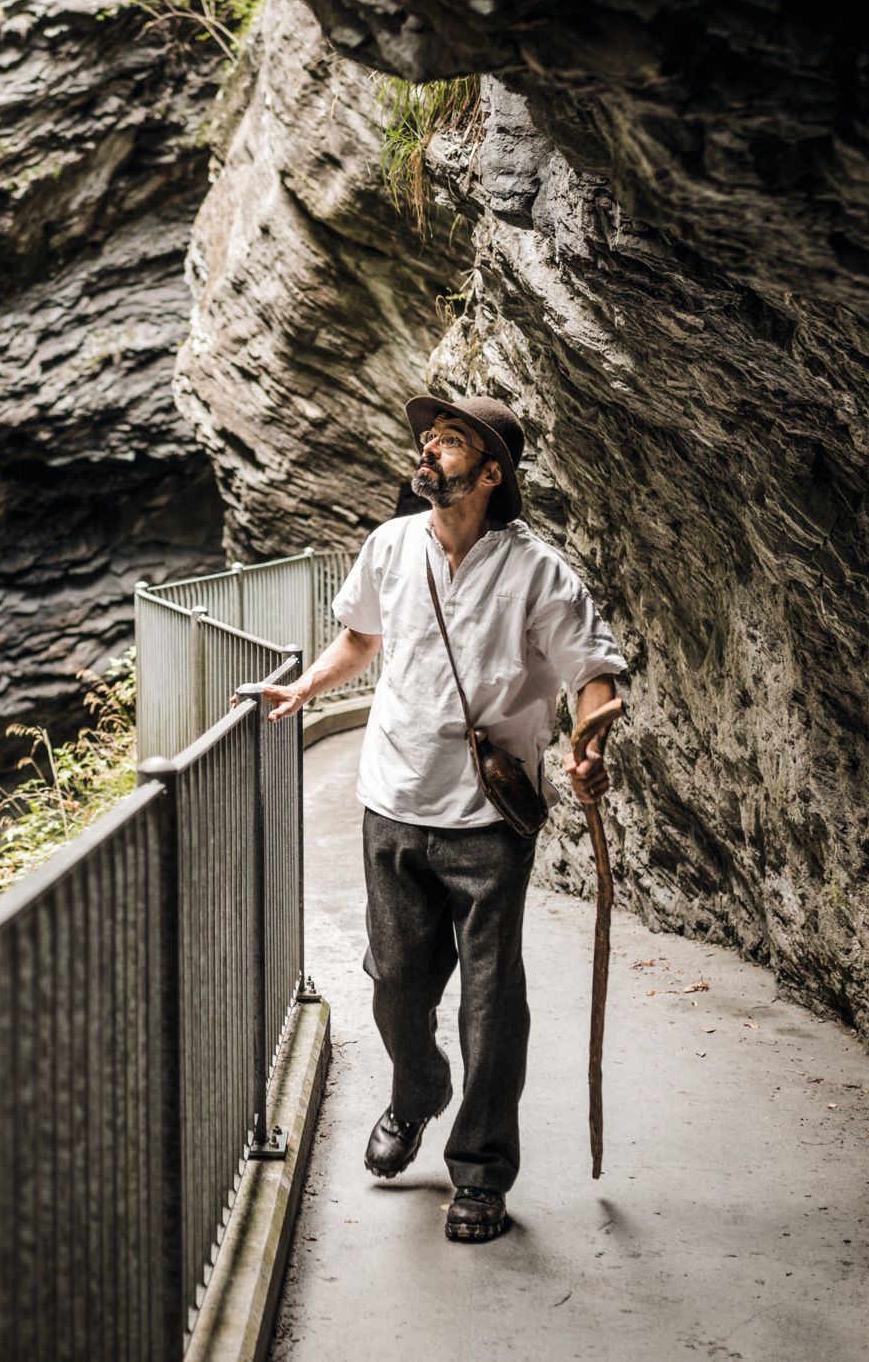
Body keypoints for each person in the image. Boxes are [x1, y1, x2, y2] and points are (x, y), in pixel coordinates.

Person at [258, 393, 627, 1242]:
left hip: (489, 821)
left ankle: (482, 1172)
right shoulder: (391, 545)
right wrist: (306, 685)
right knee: (394, 986)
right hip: (391, 798)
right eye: (427, 437)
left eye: (450, 441)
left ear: (491, 473)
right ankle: (417, 1090)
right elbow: (360, 639)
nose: (428, 449)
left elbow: (592, 675)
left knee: (492, 1003)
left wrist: (592, 741)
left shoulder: (540, 573)